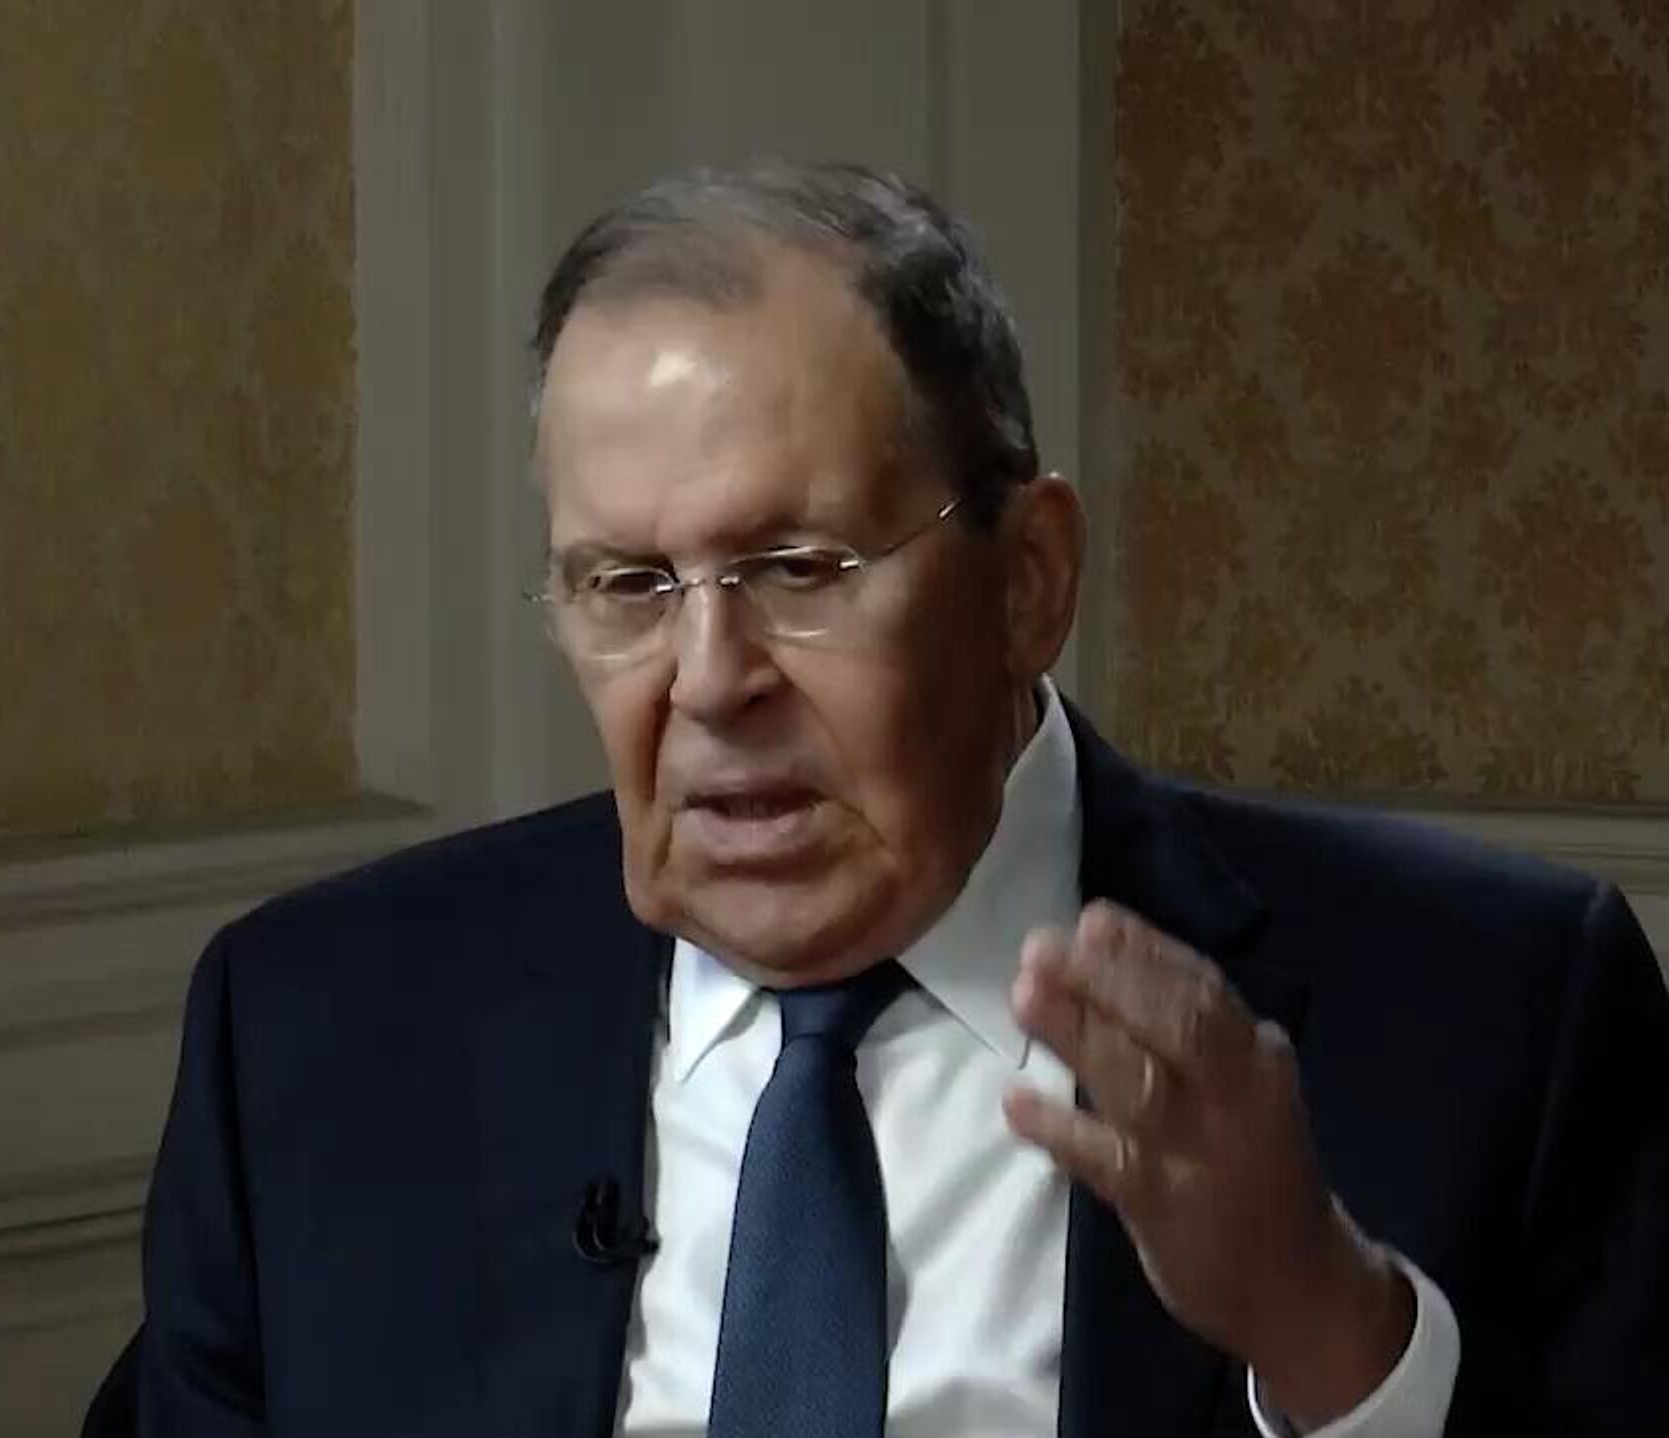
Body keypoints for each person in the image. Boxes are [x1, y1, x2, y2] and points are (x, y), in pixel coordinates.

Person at [85, 161, 1669, 1437]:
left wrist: (1331, 1331)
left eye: (799, 568)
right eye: (627, 584)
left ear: (1029, 579)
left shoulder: (1498, 1015)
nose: (711, 678)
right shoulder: (314, 1033)